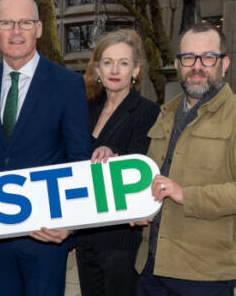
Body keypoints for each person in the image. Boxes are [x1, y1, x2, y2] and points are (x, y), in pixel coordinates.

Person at [0, 0, 92, 295]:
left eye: (25, 23)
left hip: (45, 238)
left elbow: (79, 159)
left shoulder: (68, 84)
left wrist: (70, 226)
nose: (16, 31)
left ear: (39, 28)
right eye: (7, 23)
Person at [135, 23, 236, 295]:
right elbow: (153, 177)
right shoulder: (165, 113)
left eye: (208, 57)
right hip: (150, 266)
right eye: (188, 58)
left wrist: (186, 195)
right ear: (178, 64)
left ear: (224, 64)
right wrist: (134, 204)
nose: (197, 66)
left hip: (204, 275)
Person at [75, 29, 159, 296]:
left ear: (135, 71)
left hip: (121, 239)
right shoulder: (84, 109)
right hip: (85, 233)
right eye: (108, 62)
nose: (114, 69)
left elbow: (144, 159)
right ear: (97, 68)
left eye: (123, 63)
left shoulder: (148, 111)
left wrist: (116, 157)